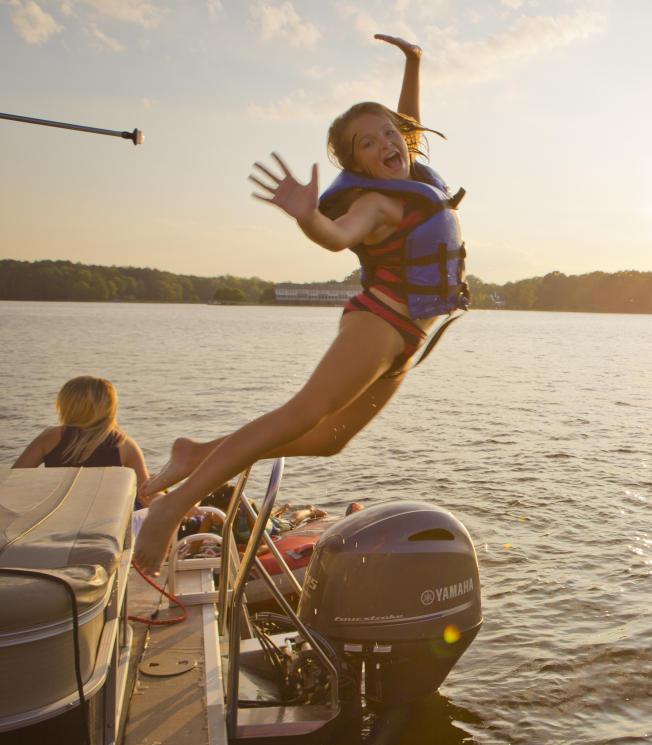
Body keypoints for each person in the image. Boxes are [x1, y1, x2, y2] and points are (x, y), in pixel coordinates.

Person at [132, 35, 467, 573]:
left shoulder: (411, 175)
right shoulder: (377, 201)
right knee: (301, 414)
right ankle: (174, 506)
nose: (386, 143)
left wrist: (414, 64)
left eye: (389, 133)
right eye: (366, 142)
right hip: (379, 322)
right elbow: (337, 236)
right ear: (353, 162)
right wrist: (307, 215)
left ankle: (196, 453)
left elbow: (409, 123)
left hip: (408, 338)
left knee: (329, 439)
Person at [12, 375, 159, 510]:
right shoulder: (123, 444)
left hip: (60, 513)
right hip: (105, 518)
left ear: (66, 405)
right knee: (149, 487)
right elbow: (146, 496)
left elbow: (13, 479)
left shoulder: (50, 437)